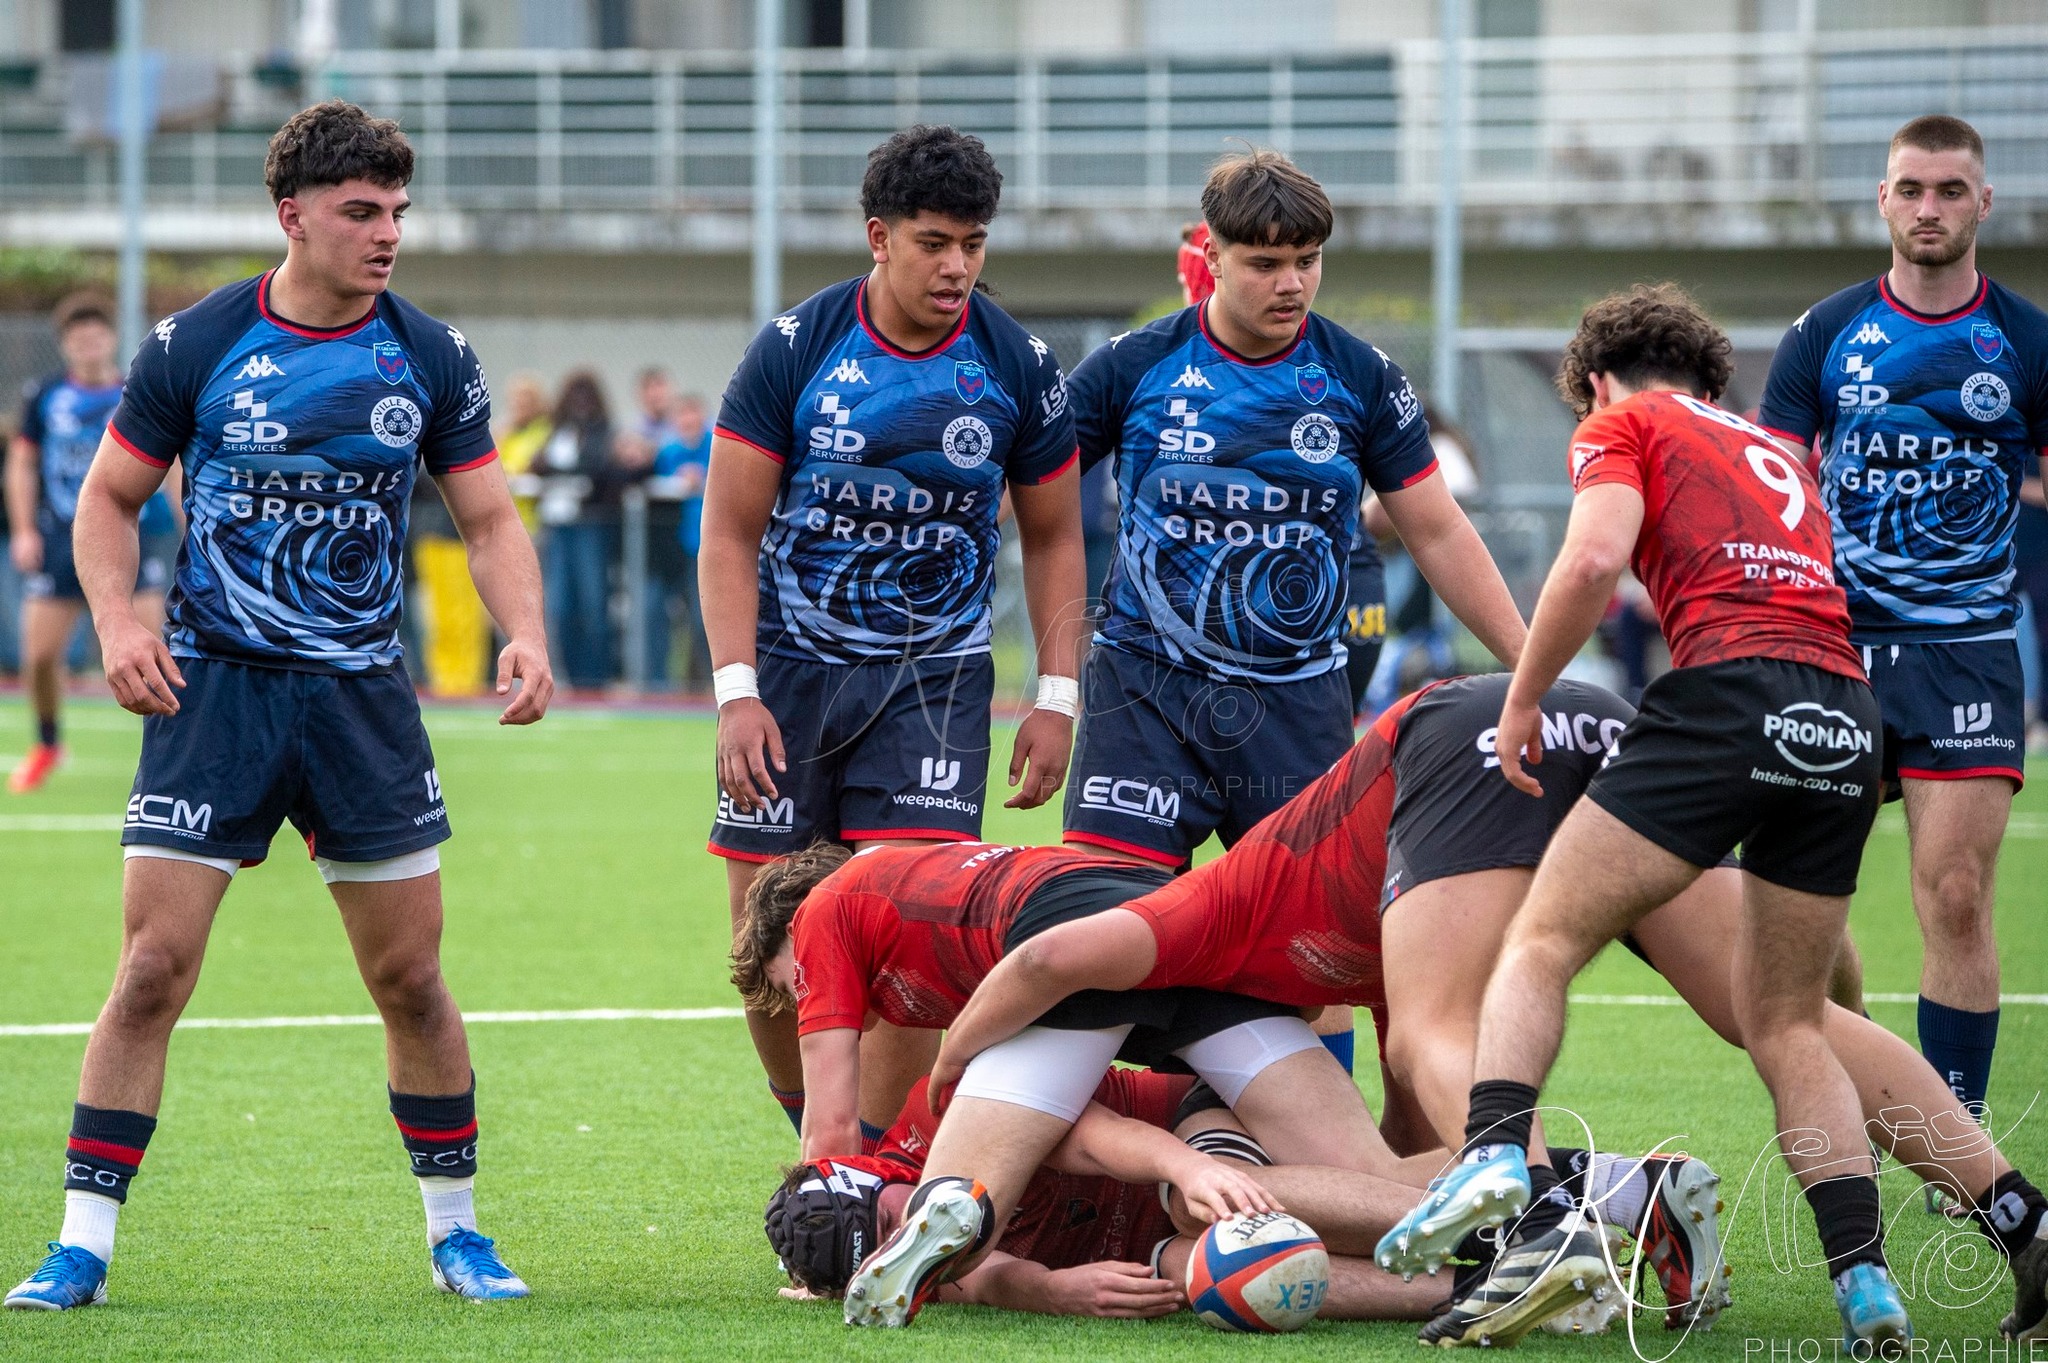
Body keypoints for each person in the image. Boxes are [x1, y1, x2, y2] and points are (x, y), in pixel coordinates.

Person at [2, 101, 553, 1312]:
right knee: (152, 967)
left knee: (411, 980)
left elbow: (490, 516)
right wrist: (118, 619)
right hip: (216, 693)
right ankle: (80, 1243)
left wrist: (526, 633)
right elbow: (107, 503)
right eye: (361, 211)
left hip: (361, 697)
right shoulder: (194, 344)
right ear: (291, 215)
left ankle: (456, 1231)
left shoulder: (431, 354)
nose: (386, 233)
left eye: (397, 211)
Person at [1355, 283, 1923, 1351]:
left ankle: (1492, 1162)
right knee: (1795, 1020)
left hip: (1725, 702)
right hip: (1844, 712)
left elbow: (1586, 560)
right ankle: (1888, 1271)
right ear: (1709, 374)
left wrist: (1521, 696)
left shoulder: (1623, 419)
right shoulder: (1775, 455)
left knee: (1540, 941)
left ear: (1597, 383)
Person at [1059, 151, 1524, 1076]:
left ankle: (1327, 1168)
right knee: (1104, 932)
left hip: (1295, 706)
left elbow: (1435, 528)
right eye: (1266, 262)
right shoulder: (1134, 364)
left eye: (1307, 259)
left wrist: (1531, 667)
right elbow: (1033, 502)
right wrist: (1049, 679)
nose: (1291, 282)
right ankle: (1124, 1166)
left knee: (1310, 961)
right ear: (1215, 255)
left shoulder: (1360, 376)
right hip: (1142, 696)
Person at [699, 124, 1088, 1143]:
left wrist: (1056, 697)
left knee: (911, 937)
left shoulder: (1016, 364)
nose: (956, 264)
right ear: (877, 238)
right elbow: (728, 530)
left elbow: (1052, 538)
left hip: (934, 683)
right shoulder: (796, 348)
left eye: (973, 241)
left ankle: (865, 1170)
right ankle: (812, 1139)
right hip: (787, 675)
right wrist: (735, 690)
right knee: (766, 940)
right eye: (931, 241)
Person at [1757, 114, 2047, 1126]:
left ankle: (1947, 1127)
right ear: (1881, 199)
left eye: (1949, 190)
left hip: (1966, 653)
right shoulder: (1823, 333)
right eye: (1910, 189)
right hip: (1835, 651)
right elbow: (1773, 487)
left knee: (1955, 891)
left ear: (1982, 203)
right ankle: (1852, 1090)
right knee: (1802, 901)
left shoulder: (2024, 340)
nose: (1928, 208)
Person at [768, 1068, 1447, 1323]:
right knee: (1214, 1271)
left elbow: (1094, 1138)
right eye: (885, 1256)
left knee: (1199, 1204)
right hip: (1151, 1237)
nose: (907, 1246)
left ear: (883, 1170)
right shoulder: (909, 1275)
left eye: (892, 1220)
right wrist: (1057, 1290)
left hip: (1184, 1126)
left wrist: (1188, 1170)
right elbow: (991, 1280)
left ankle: (1488, 1220)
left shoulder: (943, 1115)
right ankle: (1475, 1287)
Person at [6, 294, 182, 793]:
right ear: (65, 345)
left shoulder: (135, 393)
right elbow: (22, 462)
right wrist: (23, 530)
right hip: (62, 539)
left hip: (132, 536)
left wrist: (189, 516)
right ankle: (46, 744)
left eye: (96, 334)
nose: (88, 344)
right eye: (77, 337)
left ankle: (173, 759)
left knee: (160, 652)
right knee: (38, 657)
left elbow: (170, 461)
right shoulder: (45, 395)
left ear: (111, 339)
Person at [537, 370, 616, 690]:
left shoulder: (602, 431)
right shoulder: (556, 431)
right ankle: (572, 679)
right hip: (557, 527)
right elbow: (536, 464)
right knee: (560, 606)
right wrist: (562, 472)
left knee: (593, 604)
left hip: (589, 527)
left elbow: (597, 468)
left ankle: (595, 679)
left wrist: (558, 472)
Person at [654, 393, 712, 689]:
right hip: (676, 548)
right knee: (674, 618)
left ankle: (713, 684)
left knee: (705, 621)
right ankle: (677, 684)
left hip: (707, 545)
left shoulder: (716, 447)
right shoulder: (669, 452)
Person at [493, 372, 551, 534]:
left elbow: (531, 466)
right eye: (516, 401)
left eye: (526, 401)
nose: (519, 406)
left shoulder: (545, 430)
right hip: (507, 513)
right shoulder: (505, 432)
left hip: (537, 517)